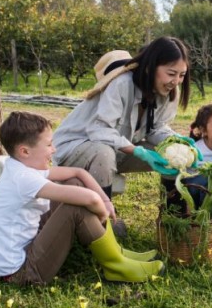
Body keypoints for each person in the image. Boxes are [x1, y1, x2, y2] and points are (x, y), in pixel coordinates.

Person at [0, 111, 163, 285]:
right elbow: (90, 199)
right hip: (21, 272)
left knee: (73, 182)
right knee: (75, 206)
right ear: (24, 151)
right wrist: (102, 211)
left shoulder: (19, 166)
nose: (53, 150)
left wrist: (106, 201)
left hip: (28, 248)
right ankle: (116, 266)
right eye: (48, 145)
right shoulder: (23, 178)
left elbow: (79, 172)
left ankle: (117, 253)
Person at [52, 38, 198, 226]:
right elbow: (99, 130)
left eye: (181, 75)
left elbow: (156, 128)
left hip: (114, 150)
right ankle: (101, 225)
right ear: (150, 67)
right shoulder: (122, 84)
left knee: (173, 153)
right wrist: (137, 151)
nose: (176, 81)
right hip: (76, 148)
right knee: (103, 152)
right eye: (171, 73)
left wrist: (179, 141)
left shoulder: (168, 92)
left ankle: (174, 221)